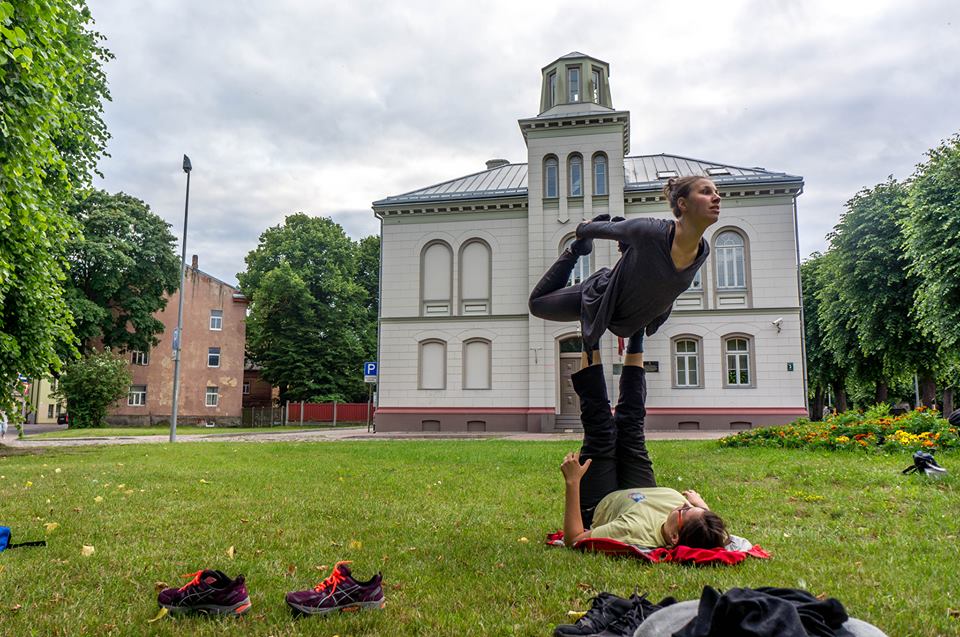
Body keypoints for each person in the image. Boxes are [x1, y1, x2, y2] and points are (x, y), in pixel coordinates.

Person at [529, 176, 720, 362]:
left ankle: (629, 252)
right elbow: (587, 230)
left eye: (717, 192)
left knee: (638, 332)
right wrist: (584, 233)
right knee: (537, 304)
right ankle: (576, 250)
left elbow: (663, 285)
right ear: (682, 204)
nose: (717, 197)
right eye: (706, 192)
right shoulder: (649, 230)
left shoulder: (703, 251)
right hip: (603, 293)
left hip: (636, 311)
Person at [559, 356, 728, 550]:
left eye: (684, 511)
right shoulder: (697, 525)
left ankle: (590, 343)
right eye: (689, 507)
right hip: (646, 491)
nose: (683, 505)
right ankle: (637, 336)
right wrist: (701, 506)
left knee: (601, 431)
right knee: (632, 424)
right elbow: (715, 535)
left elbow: (574, 540)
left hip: (603, 501)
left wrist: (572, 482)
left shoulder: (633, 530)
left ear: (674, 537)